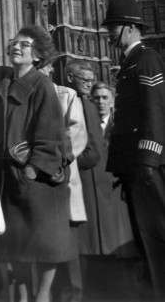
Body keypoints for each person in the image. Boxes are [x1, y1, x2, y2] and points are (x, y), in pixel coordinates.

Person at [0, 26, 75, 302]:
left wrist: (33, 169)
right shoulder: (4, 83)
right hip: (7, 178)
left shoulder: (41, 85)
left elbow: (51, 133)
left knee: (46, 245)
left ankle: (43, 295)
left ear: (37, 56)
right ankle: (23, 297)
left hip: (36, 181)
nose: (16, 47)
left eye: (24, 45)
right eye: (14, 43)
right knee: (16, 246)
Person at [103, 0, 165, 297]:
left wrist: (147, 160)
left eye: (113, 26)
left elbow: (155, 108)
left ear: (129, 27)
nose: (110, 32)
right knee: (146, 238)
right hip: (135, 168)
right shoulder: (130, 61)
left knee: (157, 237)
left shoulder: (146, 58)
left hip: (146, 167)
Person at [77, 82, 138, 300]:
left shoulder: (121, 124)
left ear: (112, 101)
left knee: (121, 253)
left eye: (104, 98)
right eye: (96, 98)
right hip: (94, 194)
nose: (100, 102)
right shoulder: (85, 126)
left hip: (116, 192)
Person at [37, 61, 88, 302]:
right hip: (33, 181)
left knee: (65, 245)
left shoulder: (65, 95)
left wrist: (54, 162)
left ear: (50, 70)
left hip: (60, 178)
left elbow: (76, 134)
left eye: (42, 66)